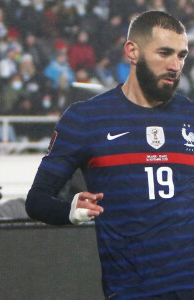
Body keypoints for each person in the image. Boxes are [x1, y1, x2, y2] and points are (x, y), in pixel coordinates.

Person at [25, 11, 194, 300]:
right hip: (133, 291)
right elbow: (36, 200)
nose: (175, 65)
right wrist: (69, 210)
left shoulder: (190, 115)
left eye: (181, 55)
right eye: (164, 53)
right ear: (132, 51)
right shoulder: (85, 119)